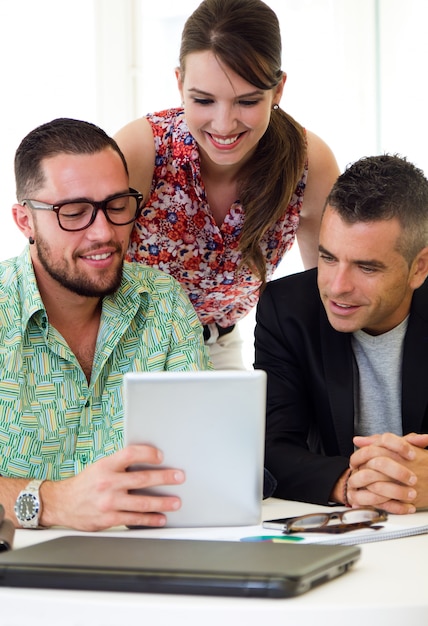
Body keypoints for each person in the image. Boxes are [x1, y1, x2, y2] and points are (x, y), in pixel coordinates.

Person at [0, 117, 211, 532]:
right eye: (74, 212)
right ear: (25, 221)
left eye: (117, 207)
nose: (104, 232)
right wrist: (51, 502)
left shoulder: (164, 304)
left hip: (151, 561)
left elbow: (203, 459)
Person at [114, 0, 339, 369]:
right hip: (129, 346)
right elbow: (85, 268)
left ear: (278, 89)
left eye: (247, 101)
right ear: (180, 83)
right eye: (203, 100)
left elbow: (326, 293)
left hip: (221, 345)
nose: (224, 124)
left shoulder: (308, 163)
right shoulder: (142, 150)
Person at [255, 154, 428, 515]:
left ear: (419, 268)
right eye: (329, 258)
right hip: (349, 523)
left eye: (366, 267)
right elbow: (269, 447)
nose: (337, 287)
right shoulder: (286, 309)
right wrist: (348, 481)